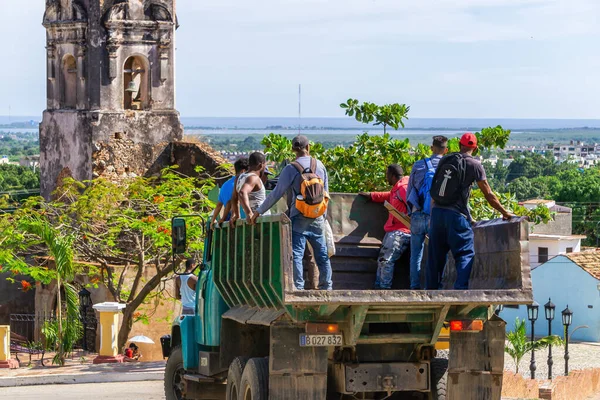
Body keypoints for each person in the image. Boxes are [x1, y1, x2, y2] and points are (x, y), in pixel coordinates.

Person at [426, 133, 514, 290]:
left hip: (438, 213)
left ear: (459, 145)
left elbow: (434, 189)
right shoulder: (475, 165)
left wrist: (432, 217)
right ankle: (460, 292)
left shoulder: (446, 159)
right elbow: (489, 195)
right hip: (456, 216)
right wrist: (504, 212)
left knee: (435, 258)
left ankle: (430, 293)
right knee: (465, 253)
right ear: (476, 148)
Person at [251, 135, 332, 291]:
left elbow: (276, 193)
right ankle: (326, 286)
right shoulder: (320, 166)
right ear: (308, 148)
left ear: (293, 150)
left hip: (298, 215)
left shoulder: (291, 169)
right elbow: (326, 194)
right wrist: (322, 216)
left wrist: (259, 212)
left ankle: (298, 288)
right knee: (322, 254)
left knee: (296, 254)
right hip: (317, 216)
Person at [406, 136, 449, 289]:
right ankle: (435, 287)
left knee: (415, 255)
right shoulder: (448, 167)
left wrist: (411, 212)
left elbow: (410, 190)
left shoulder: (418, 165)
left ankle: (414, 287)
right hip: (437, 215)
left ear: (431, 148)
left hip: (418, 214)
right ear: (446, 150)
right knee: (437, 253)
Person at [360, 165, 410, 290]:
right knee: (382, 260)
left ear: (393, 175)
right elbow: (388, 196)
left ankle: (384, 290)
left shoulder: (403, 188)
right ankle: (379, 288)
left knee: (386, 261)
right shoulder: (397, 189)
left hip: (400, 232)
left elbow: (412, 204)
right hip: (395, 231)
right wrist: (371, 195)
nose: (386, 177)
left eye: (387, 174)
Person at [230, 152, 270, 224]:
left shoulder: (239, 178)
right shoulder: (254, 178)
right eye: (264, 165)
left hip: (253, 221)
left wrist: (237, 214)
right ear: (261, 165)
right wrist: (249, 213)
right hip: (261, 219)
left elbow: (234, 197)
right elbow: (242, 193)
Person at [210, 157, 248, 229]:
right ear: (243, 171)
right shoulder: (243, 185)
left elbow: (219, 205)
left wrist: (213, 220)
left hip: (228, 226)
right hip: (242, 226)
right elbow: (232, 201)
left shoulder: (225, 185)